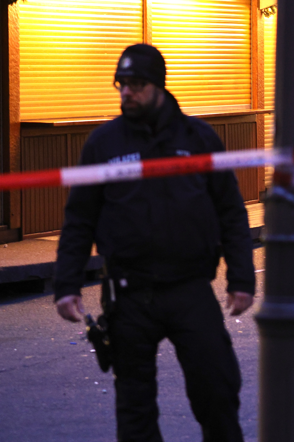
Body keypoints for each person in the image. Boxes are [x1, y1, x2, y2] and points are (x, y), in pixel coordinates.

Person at [53, 43, 255, 442]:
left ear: (159, 86)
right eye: (121, 84)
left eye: (137, 84)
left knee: (217, 390)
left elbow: (230, 211)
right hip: (129, 295)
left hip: (190, 289)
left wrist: (242, 279)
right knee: (135, 410)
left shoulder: (199, 139)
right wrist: (66, 285)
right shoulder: (103, 144)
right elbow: (80, 219)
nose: (127, 92)